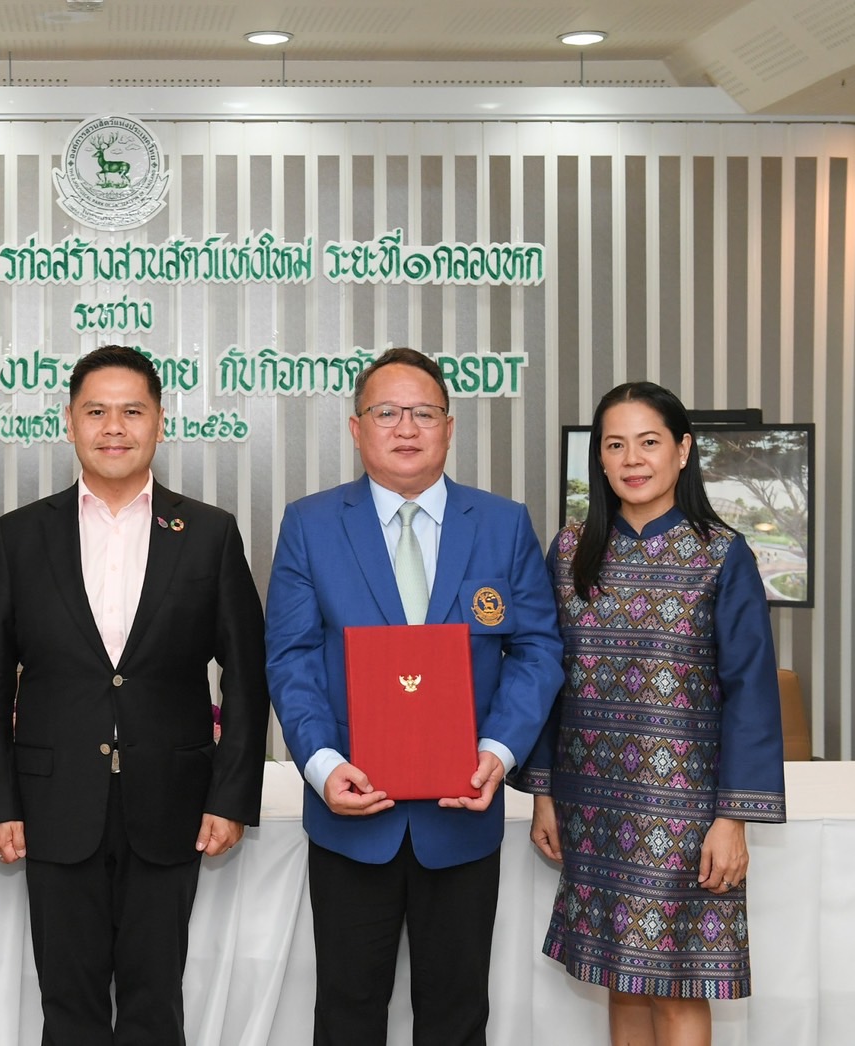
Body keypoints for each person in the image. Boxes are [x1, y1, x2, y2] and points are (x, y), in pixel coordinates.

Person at [0, 345, 269, 1045]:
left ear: (160, 422)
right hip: (53, 805)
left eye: (132, 411)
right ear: (69, 422)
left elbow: (247, 677)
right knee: (67, 1009)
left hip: (170, 804)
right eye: (96, 411)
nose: (113, 427)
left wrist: (230, 798)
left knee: (154, 1006)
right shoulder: (19, 535)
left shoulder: (209, 534)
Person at [264, 346, 564, 1045]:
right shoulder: (310, 524)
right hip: (350, 814)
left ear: (449, 428)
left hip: (462, 813)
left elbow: (537, 649)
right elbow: (292, 656)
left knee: (457, 1016)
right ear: (356, 427)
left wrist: (498, 752)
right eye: (386, 413)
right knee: (347, 1014)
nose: (406, 428)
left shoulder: (502, 524)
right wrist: (322, 766)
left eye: (424, 413)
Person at [521, 382, 786, 1045]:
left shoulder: (721, 554)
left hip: (686, 812)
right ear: (600, 459)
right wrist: (544, 793)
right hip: (593, 805)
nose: (632, 460)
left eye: (648, 442)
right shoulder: (569, 552)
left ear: (683, 450)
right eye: (615, 445)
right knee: (624, 978)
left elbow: (750, 690)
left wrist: (733, 818)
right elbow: (546, 677)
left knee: (677, 984)